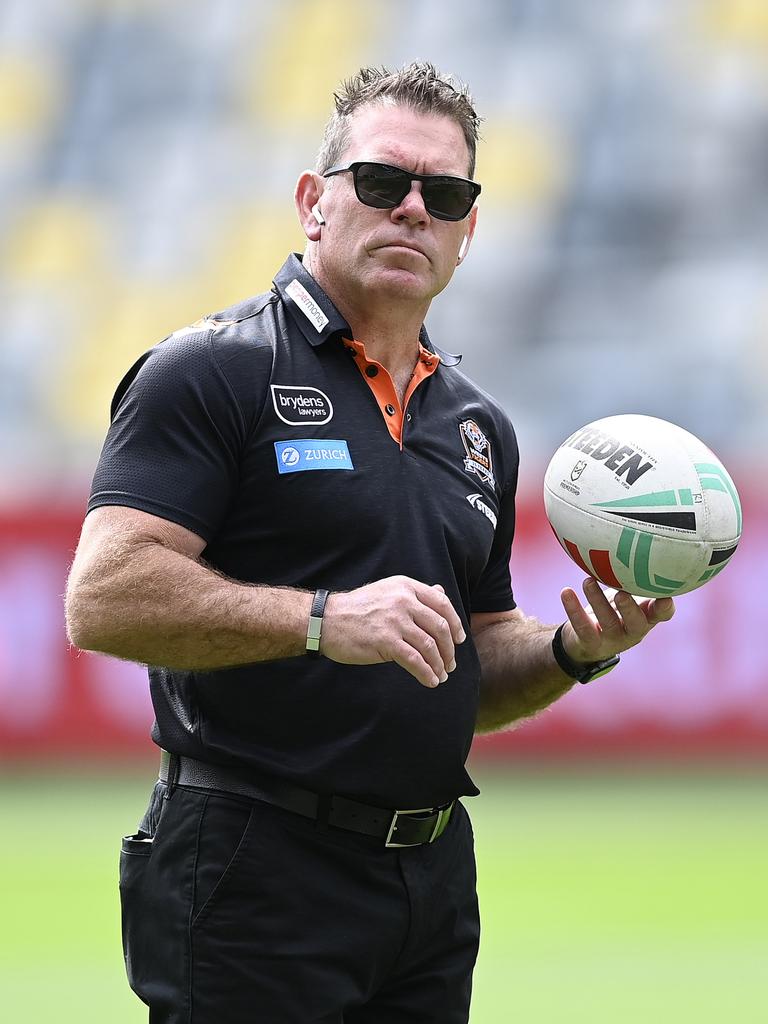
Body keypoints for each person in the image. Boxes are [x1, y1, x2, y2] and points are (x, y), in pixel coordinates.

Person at [65, 62, 674, 1024]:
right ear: (315, 203)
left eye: (446, 194)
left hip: (428, 878)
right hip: (251, 866)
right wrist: (322, 620)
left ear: (470, 230)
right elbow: (101, 598)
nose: (412, 211)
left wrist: (572, 652)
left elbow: (465, 658)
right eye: (383, 183)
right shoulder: (211, 370)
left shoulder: (477, 426)